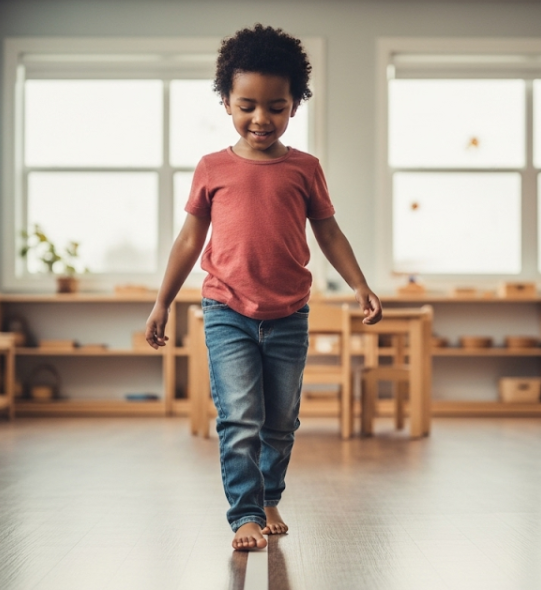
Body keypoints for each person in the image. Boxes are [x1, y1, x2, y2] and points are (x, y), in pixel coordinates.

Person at [145, 24, 382, 551]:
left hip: (289, 312)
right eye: (247, 105)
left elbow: (328, 231)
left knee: (281, 420)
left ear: (295, 105)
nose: (261, 118)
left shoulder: (305, 169)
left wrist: (360, 283)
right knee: (239, 416)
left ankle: (270, 493)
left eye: (276, 106)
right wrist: (162, 302)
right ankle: (244, 514)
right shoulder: (211, 169)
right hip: (225, 307)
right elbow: (188, 241)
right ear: (226, 102)